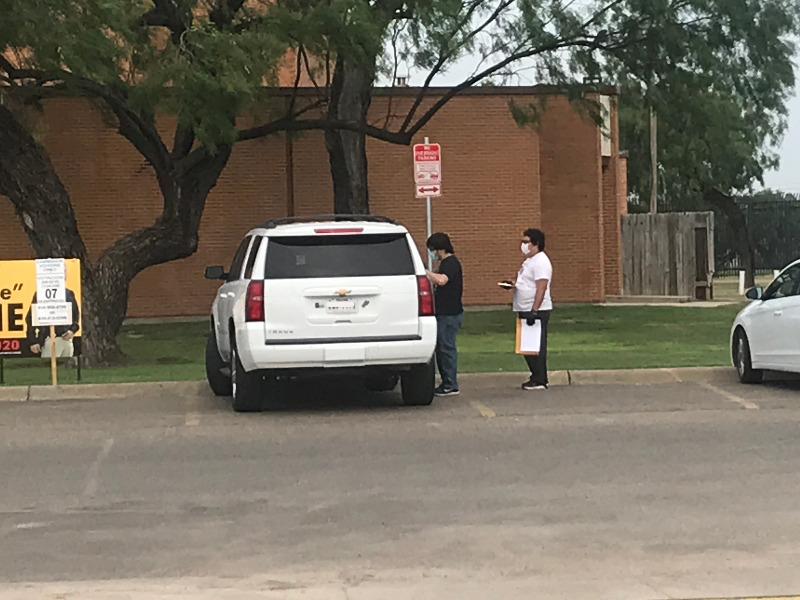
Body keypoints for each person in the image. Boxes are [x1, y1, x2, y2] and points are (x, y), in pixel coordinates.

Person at [512, 228, 553, 390]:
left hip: (536, 310)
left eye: (526, 242)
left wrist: (534, 310)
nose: (523, 245)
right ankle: (535, 375)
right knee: (527, 346)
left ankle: (540, 378)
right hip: (524, 307)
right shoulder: (529, 261)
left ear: (536, 244)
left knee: (536, 346)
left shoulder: (541, 262)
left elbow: (541, 287)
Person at [426, 233, 464, 397]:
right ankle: (446, 382)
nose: (432, 254)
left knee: (446, 349)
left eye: (432, 250)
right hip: (444, 313)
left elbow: (442, 280)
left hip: (449, 314)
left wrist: (426, 273)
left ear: (439, 248)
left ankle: (450, 384)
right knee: (442, 349)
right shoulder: (445, 263)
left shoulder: (450, 263)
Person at [25, 289, 81, 358]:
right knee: (49, 364)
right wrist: (33, 341)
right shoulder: (41, 294)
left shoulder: (69, 293)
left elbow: (75, 316)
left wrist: (72, 331)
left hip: (67, 340)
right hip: (49, 339)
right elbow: (31, 319)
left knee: (66, 364)